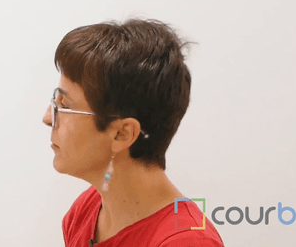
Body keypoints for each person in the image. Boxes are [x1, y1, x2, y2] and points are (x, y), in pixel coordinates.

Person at [43, 18, 224, 246]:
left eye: (65, 105)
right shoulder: (87, 209)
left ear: (123, 134)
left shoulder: (187, 242)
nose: (48, 118)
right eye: (55, 101)